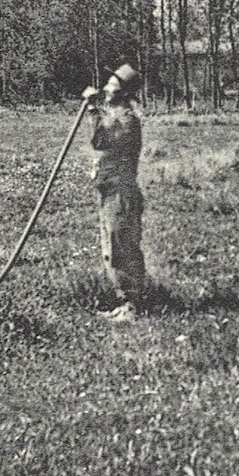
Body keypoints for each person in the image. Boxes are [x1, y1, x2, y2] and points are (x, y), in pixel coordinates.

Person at [85, 64, 148, 322]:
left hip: (120, 192)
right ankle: (124, 302)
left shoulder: (125, 118)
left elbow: (100, 140)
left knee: (122, 246)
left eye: (111, 83)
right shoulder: (115, 113)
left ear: (121, 91)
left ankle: (132, 306)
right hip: (109, 190)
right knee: (112, 246)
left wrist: (91, 109)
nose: (106, 87)